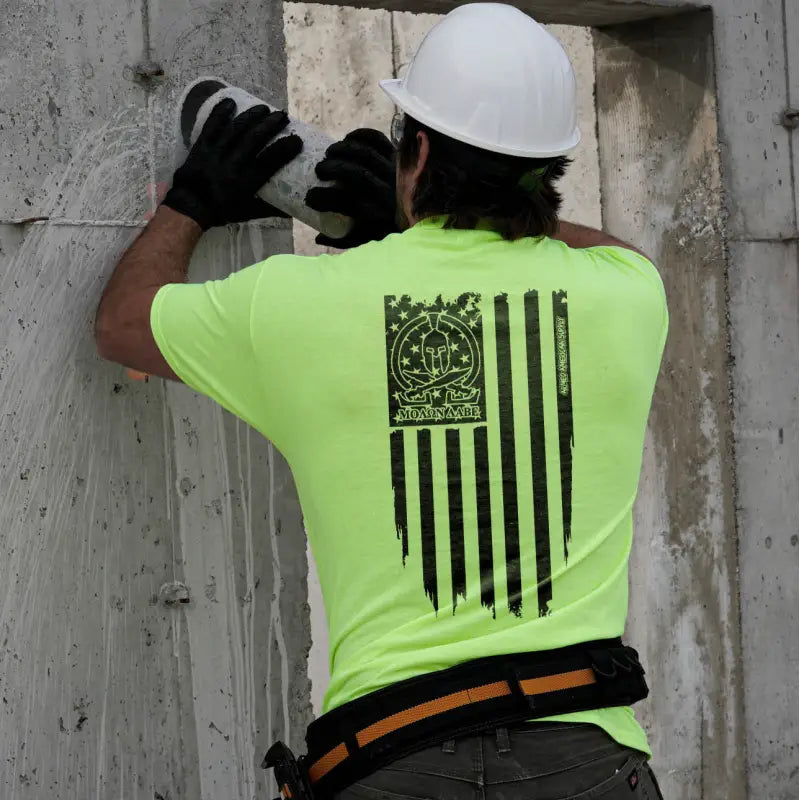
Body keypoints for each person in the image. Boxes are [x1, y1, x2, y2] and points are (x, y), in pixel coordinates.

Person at [96, 4, 667, 798]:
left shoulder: (297, 307)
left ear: (419, 149)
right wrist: (404, 220)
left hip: (393, 760)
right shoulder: (629, 298)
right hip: (584, 759)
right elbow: (605, 251)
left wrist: (192, 200)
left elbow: (122, 325)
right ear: (550, 162)